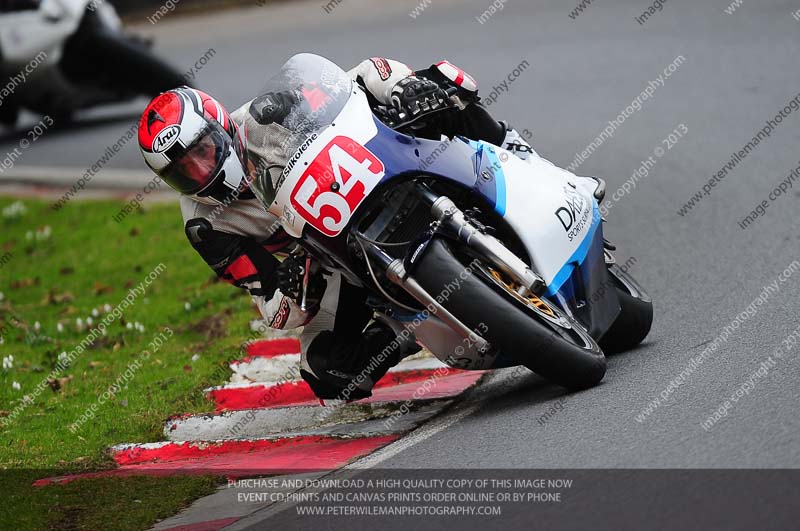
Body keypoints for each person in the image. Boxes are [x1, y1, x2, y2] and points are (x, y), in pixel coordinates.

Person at [137, 57, 539, 401]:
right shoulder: (205, 226)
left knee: (441, 81)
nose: (201, 171)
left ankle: (513, 149)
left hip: (370, 175)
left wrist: (400, 88)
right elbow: (273, 308)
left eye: (202, 151)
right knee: (325, 368)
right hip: (333, 259)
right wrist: (293, 286)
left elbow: (362, 76)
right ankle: (401, 329)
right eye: (182, 172)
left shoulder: (268, 115)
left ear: (220, 125)